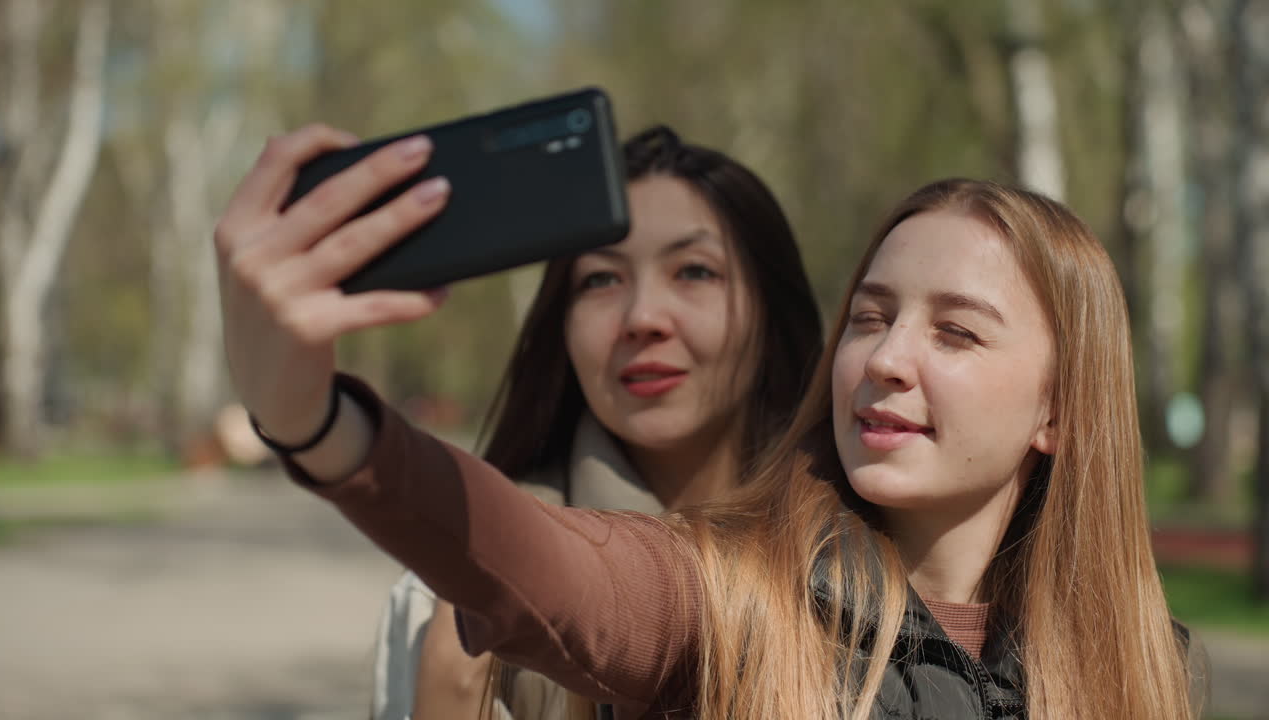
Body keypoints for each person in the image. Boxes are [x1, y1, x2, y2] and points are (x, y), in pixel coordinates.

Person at [217, 120, 1207, 719]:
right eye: (868, 317)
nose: (886, 358)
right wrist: (314, 419)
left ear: (1059, 411)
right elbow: (549, 568)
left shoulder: (1153, 666)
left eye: (955, 332)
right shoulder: (723, 599)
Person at [368, 125, 823, 720]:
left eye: (694, 271)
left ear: (771, 311)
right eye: (601, 279)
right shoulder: (459, 594)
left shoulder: (867, 571)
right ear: (563, 324)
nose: (642, 318)